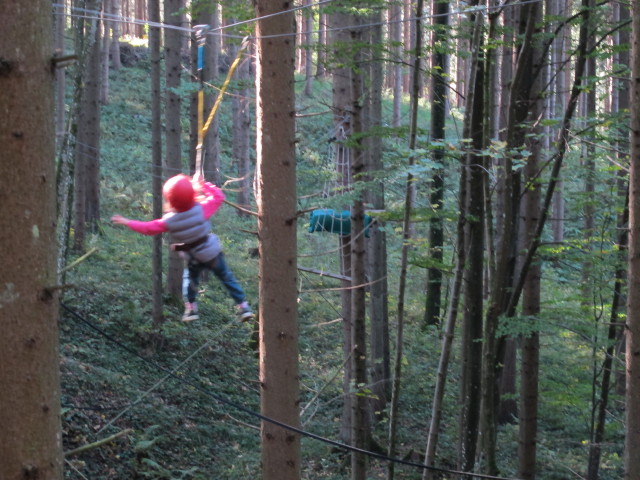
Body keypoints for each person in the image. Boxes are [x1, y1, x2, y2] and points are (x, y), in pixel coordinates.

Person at [111, 173, 254, 322]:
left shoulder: (169, 221)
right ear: (192, 194)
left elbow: (148, 228)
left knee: (190, 281)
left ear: (170, 199)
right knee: (227, 278)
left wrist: (127, 222)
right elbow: (219, 197)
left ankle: (191, 308)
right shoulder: (201, 209)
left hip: (194, 257)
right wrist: (204, 185)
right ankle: (243, 306)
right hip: (211, 253)